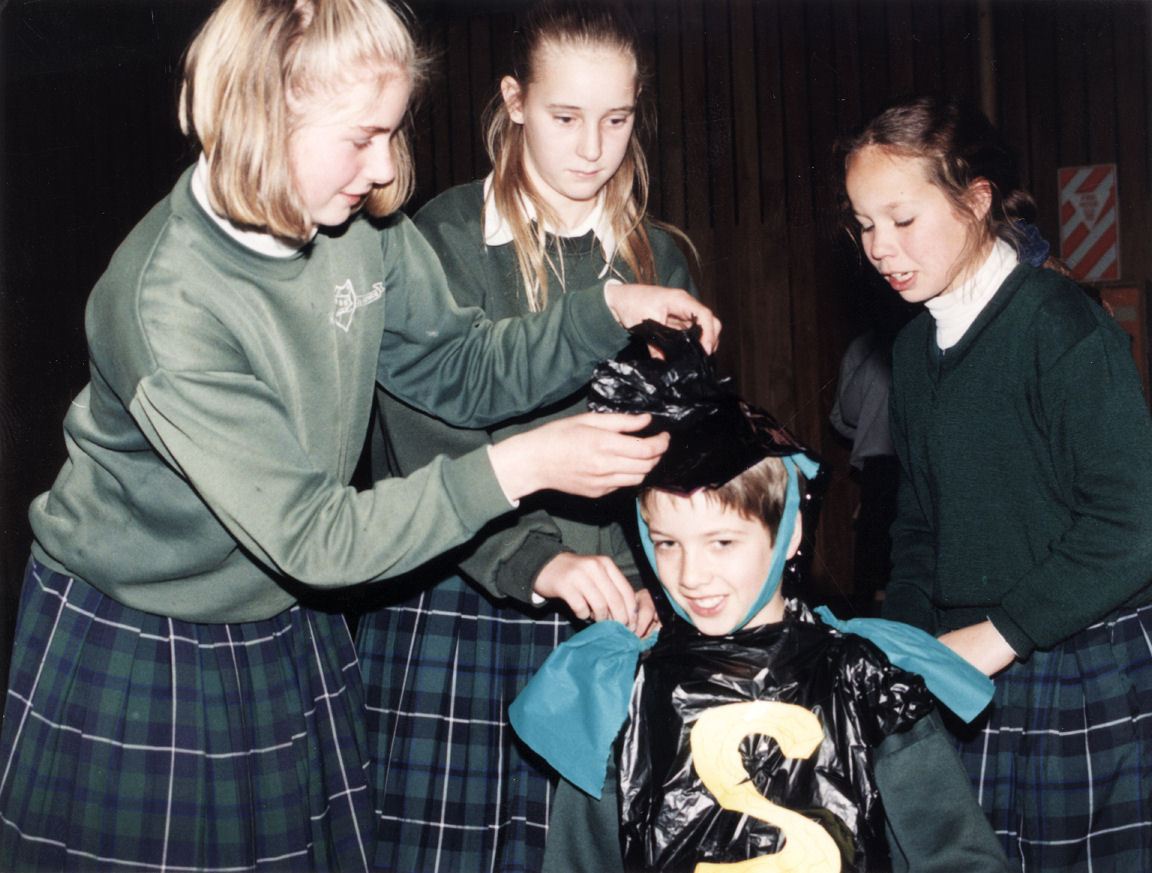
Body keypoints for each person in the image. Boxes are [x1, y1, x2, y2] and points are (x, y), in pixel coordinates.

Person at [0, 0, 721, 869]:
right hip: (152, 629)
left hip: (279, 607)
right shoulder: (167, 304)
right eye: (361, 137)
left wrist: (605, 309)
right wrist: (525, 463)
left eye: (394, 132)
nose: (385, 170)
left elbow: (463, 365)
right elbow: (315, 534)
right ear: (264, 116)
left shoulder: (356, 224)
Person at [354, 4, 698, 870]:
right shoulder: (438, 239)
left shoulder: (658, 258)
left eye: (617, 120)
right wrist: (536, 559)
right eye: (566, 117)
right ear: (513, 100)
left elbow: (680, 456)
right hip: (462, 600)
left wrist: (658, 573)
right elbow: (420, 440)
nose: (594, 148)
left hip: (617, 616)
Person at [508, 322, 1010, 873]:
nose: (692, 575)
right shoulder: (616, 689)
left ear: (788, 534)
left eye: (722, 542)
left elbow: (960, 857)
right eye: (667, 544)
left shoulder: (865, 677)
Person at [841, 94, 1152, 871]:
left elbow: (1133, 522)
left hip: (1077, 660)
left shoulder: (1063, 326)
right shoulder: (912, 350)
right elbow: (918, 528)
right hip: (969, 663)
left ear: (976, 201)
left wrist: (1001, 634)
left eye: (902, 220)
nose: (880, 246)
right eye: (863, 223)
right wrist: (905, 645)